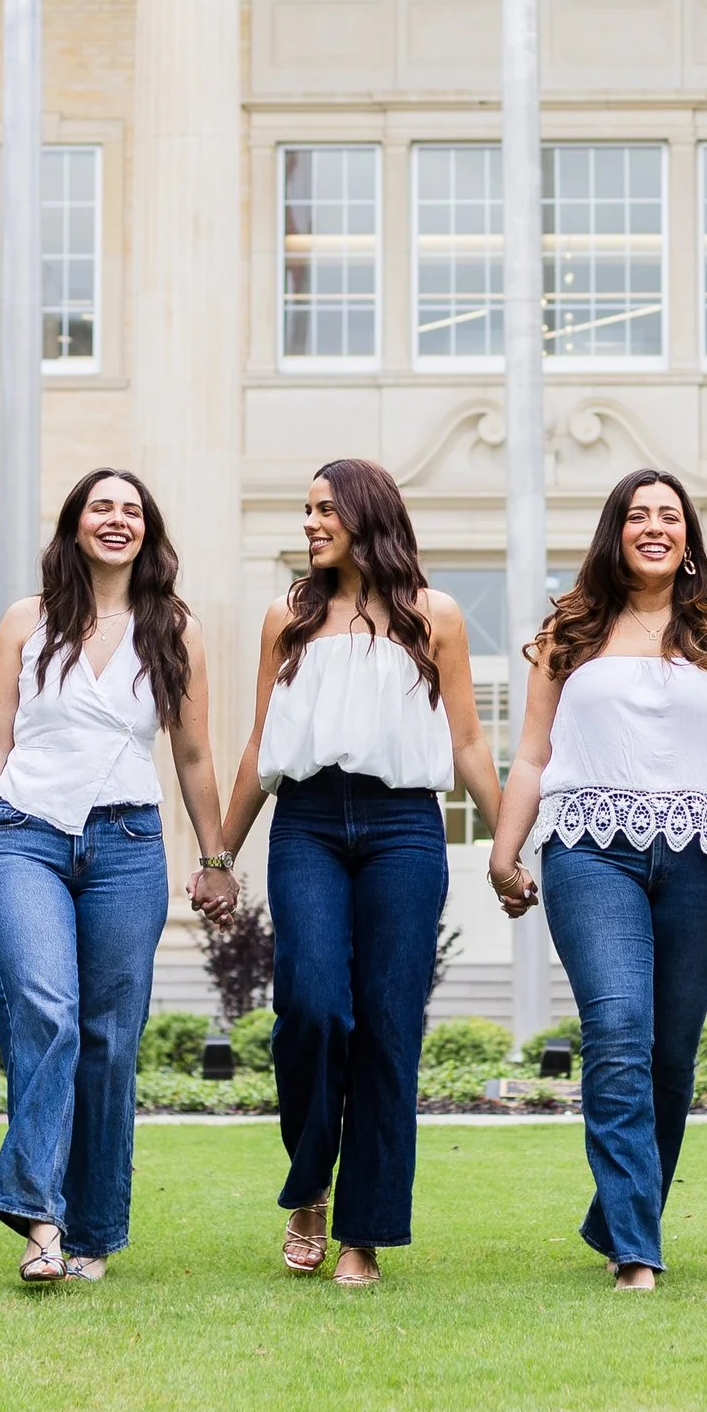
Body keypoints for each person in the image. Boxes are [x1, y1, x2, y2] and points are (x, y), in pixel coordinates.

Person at [214, 460, 499, 1287]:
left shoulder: (432, 616)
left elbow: (470, 742)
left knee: (386, 1023)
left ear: (367, 515)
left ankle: (362, 1234)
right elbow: (261, 747)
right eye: (305, 509)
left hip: (404, 827)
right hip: (306, 821)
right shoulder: (287, 618)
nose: (309, 523)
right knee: (310, 1004)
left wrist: (510, 842)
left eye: (325, 509)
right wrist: (220, 857)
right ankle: (309, 1184)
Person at [487, 470, 707, 1291]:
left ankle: (617, 1210)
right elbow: (533, 753)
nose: (654, 527)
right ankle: (636, 1248)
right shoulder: (570, 629)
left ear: (688, 538)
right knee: (618, 1030)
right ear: (615, 532)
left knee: (670, 1053)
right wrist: (504, 851)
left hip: (701, 853)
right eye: (638, 515)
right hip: (587, 849)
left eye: (669, 516)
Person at [0, 470, 230, 1285]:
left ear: (148, 531)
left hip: (126, 843)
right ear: (75, 524)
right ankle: (40, 1217)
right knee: (46, 1008)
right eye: (101, 507)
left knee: (110, 1042)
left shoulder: (174, 628)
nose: (118, 520)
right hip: (23, 836)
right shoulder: (26, 621)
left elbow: (191, 753)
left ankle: (93, 1232)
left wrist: (215, 860)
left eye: (133, 510)